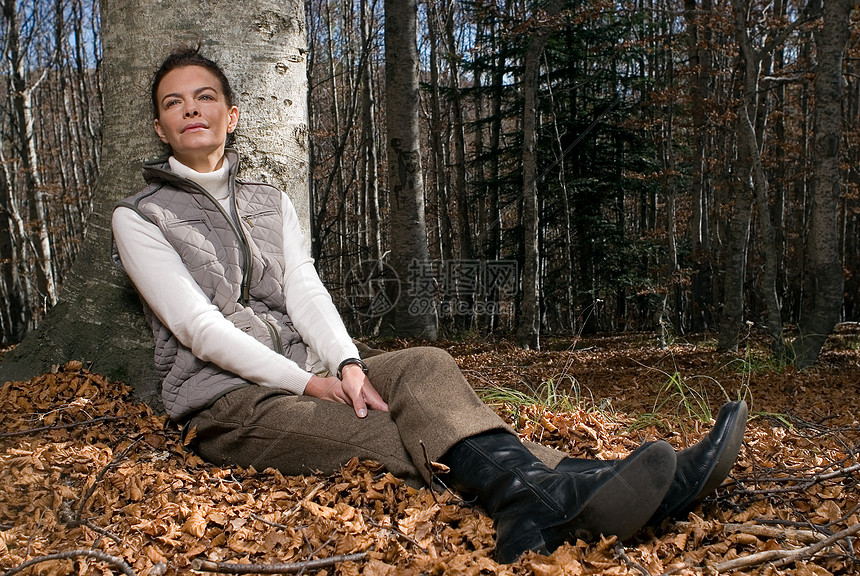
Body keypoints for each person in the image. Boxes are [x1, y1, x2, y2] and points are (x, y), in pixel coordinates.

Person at [111, 47, 747, 564]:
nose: (191, 109)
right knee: (392, 429)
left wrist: (348, 365)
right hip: (227, 402)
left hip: (311, 370)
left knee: (426, 370)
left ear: (233, 114)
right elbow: (197, 328)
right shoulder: (141, 218)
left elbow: (305, 291)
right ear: (162, 127)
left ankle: (564, 498)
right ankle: (622, 486)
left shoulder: (268, 201)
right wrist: (306, 382)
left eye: (205, 97)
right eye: (174, 102)